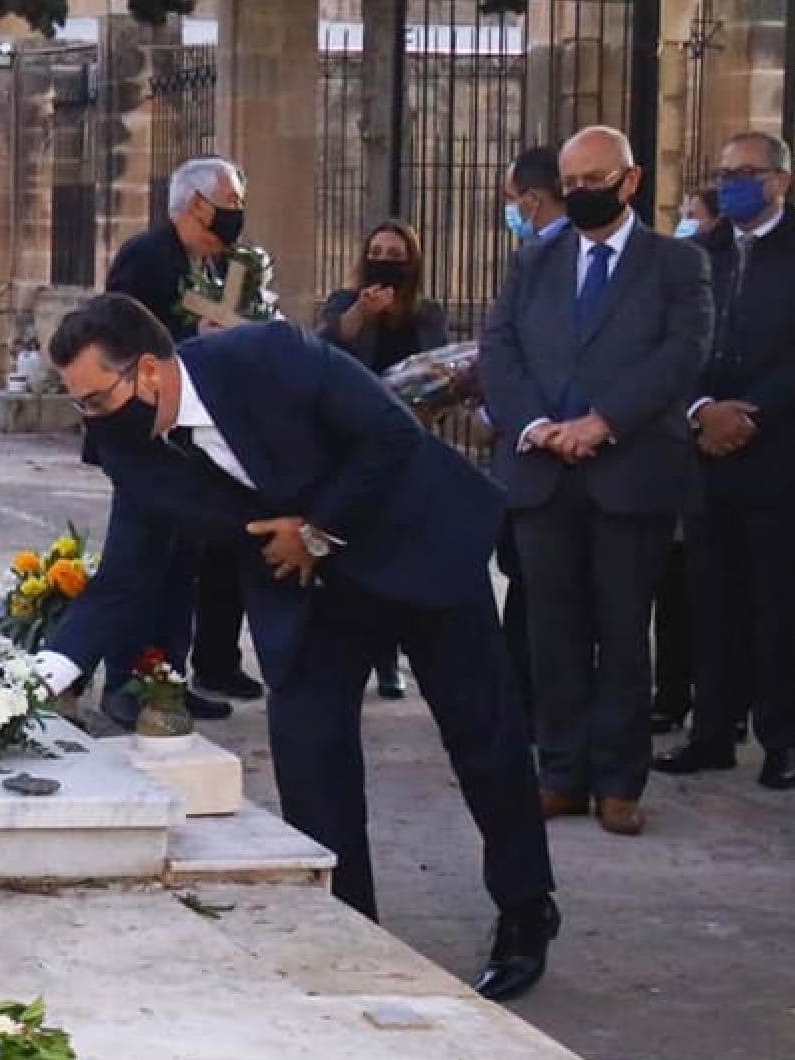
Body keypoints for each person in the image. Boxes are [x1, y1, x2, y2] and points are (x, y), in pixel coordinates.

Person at [41, 293, 558, 1002]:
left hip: (413, 546)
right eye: (80, 405)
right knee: (311, 755)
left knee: (485, 741)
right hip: (309, 594)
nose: (91, 421)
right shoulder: (129, 447)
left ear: (151, 373)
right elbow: (126, 575)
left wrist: (318, 529)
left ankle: (527, 911)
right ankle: (349, 927)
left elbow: (391, 437)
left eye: (97, 399)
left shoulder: (268, 356)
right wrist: (43, 674)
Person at [479, 126, 714, 837]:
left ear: (630, 181)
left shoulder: (676, 264)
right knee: (551, 631)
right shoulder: (534, 262)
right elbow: (500, 346)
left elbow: (682, 353)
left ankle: (618, 781)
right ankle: (560, 772)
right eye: (572, 183)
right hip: (543, 471)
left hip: (630, 472)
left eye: (594, 180)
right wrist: (538, 427)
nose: (580, 193)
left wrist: (603, 422)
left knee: (620, 632)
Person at [654, 133, 795, 792]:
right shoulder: (701, 253)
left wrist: (747, 413)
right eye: (723, 174)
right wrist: (701, 409)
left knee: (775, 604)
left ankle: (780, 740)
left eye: (745, 173)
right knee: (709, 596)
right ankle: (711, 731)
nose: (730, 185)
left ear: (781, 181)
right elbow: (677, 342)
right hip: (705, 453)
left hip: (778, 453)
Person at [96, 157, 265, 717]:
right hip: (144, 437)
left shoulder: (219, 265)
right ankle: (125, 679)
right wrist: (197, 335)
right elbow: (116, 337)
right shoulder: (148, 256)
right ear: (197, 203)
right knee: (138, 560)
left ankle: (168, 677)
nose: (236, 217)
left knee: (180, 567)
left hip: (189, 436)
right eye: (230, 205)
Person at [319, 220, 450, 700]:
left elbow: (441, 372)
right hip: (352, 445)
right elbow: (326, 349)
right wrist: (362, 313)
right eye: (376, 251)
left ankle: (394, 657)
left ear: (410, 262)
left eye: (395, 254)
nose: (384, 260)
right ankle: (360, 656)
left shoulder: (427, 313)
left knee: (399, 554)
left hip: (408, 444)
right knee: (354, 554)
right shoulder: (343, 301)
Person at [493, 146, 568, 714]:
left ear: (533, 198)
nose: (510, 211)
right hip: (533, 453)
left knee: (552, 605)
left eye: (511, 200)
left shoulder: (553, 257)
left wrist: (520, 417)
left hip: (565, 456)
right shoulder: (531, 256)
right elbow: (502, 346)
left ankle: (540, 709)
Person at [650, 186, 723, 733]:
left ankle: (723, 706)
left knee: (721, 596)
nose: (682, 223)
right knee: (671, 592)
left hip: (738, 455)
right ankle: (673, 695)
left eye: (692, 215)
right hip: (677, 451)